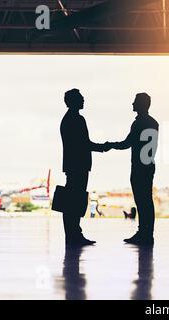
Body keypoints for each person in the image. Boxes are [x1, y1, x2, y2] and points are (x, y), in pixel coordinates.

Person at [107, 93, 159, 246]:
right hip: (148, 165)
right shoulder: (153, 122)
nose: (132, 104)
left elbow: (127, 143)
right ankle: (146, 233)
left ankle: (144, 233)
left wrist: (109, 145)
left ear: (141, 104)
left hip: (139, 167)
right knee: (146, 202)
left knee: (142, 202)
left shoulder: (139, 123)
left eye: (135, 101)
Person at [60, 88, 110, 246]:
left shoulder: (67, 119)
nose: (83, 100)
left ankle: (73, 234)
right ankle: (75, 235)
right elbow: (84, 144)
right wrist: (103, 147)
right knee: (75, 201)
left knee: (72, 201)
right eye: (81, 98)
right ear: (74, 101)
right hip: (79, 165)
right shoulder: (77, 119)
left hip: (72, 165)